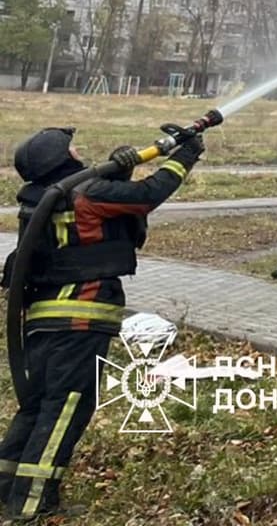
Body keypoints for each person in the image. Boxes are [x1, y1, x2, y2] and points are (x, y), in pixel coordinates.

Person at [0, 125, 202, 520]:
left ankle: (7, 486)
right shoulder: (86, 193)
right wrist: (187, 153)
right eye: (72, 148)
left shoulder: (42, 198)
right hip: (78, 318)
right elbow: (148, 196)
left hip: (42, 320)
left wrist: (117, 170)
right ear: (61, 159)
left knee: (37, 406)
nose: (78, 151)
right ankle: (31, 504)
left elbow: (91, 223)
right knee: (65, 408)